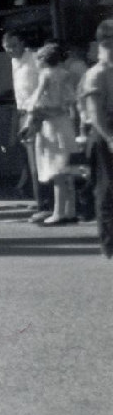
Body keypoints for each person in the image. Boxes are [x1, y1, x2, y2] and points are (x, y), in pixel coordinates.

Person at [26, 42, 79, 226]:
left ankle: (58, 212)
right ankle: (70, 210)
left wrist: (33, 111)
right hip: (65, 124)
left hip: (52, 126)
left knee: (56, 171)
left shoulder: (46, 75)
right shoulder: (65, 74)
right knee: (67, 170)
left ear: (43, 60)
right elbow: (71, 101)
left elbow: (36, 100)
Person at [77, 19, 113, 259]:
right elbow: (94, 113)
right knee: (107, 189)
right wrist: (110, 137)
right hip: (104, 133)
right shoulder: (96, 74)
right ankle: (109, 245)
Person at [3, 28, 46, 220]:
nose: (10, 50)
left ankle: (45, 203)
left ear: (22, 43)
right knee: (29, 160)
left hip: (35, 113)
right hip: (21, 113)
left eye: (13, 46)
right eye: (6, 47)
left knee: (39, 159)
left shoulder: (35, 59)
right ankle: (39, 200)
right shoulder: (14, 62)